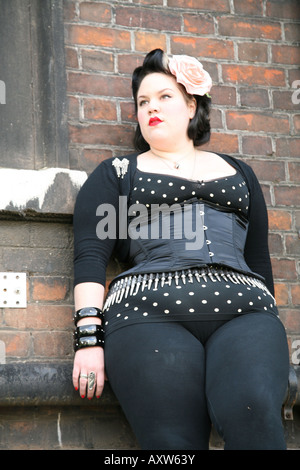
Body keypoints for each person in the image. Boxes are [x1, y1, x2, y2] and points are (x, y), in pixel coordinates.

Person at [72, 48, 290, 450]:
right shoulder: (117, 174)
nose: (151, 107)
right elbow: (90, 257)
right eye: (142, 102)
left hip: (245, 315)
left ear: (192, 105)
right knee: (173, 444)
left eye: (164, 97)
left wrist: (270, 323)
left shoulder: (240, 172)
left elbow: (258, 259)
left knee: (255, 414)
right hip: (147, 318)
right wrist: (88, 341)